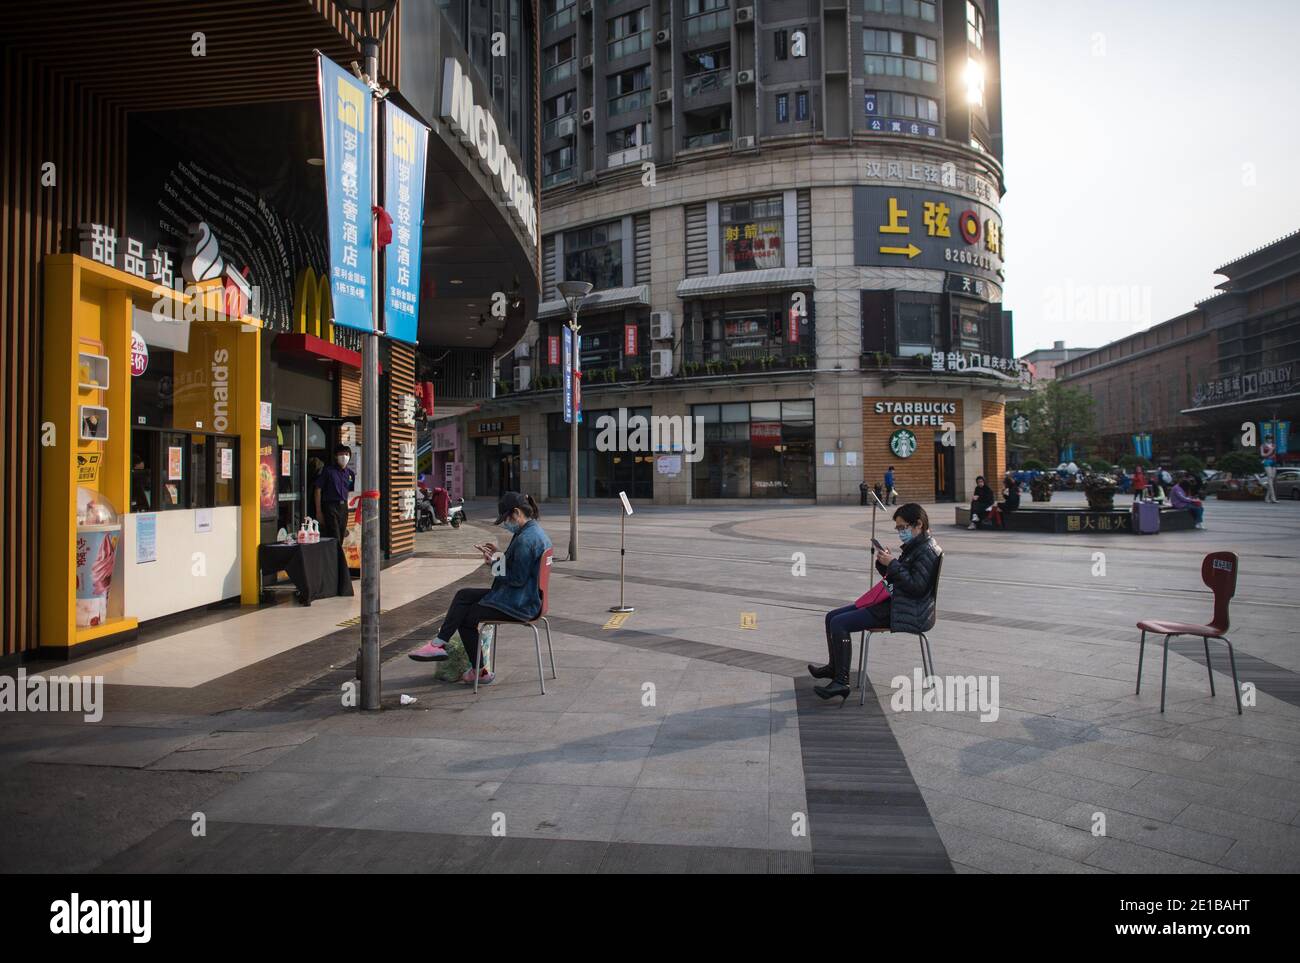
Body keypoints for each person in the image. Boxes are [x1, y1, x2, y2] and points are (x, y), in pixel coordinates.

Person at [408, 492, 552, 685]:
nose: (505, 524)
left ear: (516, 513)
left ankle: (478, 670)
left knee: (466, 619)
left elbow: (517, 579)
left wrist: (493, 564)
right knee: (463, 595)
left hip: (519, 603)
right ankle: (439, 643)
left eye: (506, 519)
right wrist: (500, 556)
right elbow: (521, 569)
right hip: (526, 598)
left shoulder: (526, 539)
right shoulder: (534, 532)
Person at [810, 503, 942, 703]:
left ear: (918, 525)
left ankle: (841, 681)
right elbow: (899, 578)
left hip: (907, 610)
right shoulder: (917, 546)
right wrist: (884, 564)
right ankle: (834, 667)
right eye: (898, 528)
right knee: (832, 617)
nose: (900, 532)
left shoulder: (927, 551)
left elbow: (917, 588)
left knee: (840, 623)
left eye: (902, 527)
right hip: (895, 603)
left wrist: (894, 564)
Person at [314, 444, 355, 543]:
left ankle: (338, 557)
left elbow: (349, 491)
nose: (344, 457)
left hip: (344, 507)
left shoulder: (350, 474)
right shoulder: (328, 471)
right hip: (330, 506)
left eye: (346, 454)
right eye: (341, 454)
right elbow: (318, 489)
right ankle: (337, 557)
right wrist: (318, 511)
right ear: (336, 456)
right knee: (334, 535)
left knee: (341, 535)